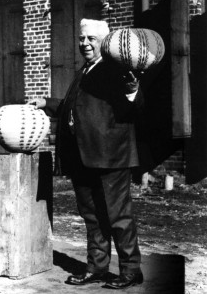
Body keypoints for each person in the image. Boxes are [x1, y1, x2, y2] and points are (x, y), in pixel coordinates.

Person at [28, 18, 144, 290]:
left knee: (118, 216)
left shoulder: (117, 69)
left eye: (91, 39)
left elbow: (136, 106)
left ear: (105, 42)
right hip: (83, 156)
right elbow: (79, 106)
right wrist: (48, 103)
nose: (85, 44)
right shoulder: (87, 70)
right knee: (92, 215)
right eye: (82, 39)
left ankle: (131, 271)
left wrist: (133, 89)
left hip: (111, 156)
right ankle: (97, 268)